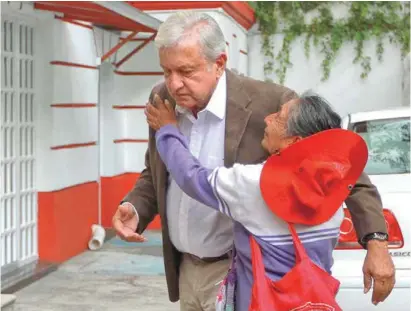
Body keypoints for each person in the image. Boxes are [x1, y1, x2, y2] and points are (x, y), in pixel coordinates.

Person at [111, 11, 395, 311]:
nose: (174, 83)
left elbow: (345, 169)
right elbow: (156, 169)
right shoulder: (164, 101)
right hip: (185, 270)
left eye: (186, 71)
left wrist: (376, 242)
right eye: (166, 71)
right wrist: (135, 207)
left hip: (236, 271)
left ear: (219, 63)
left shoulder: (271, 104)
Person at [144, 91, 367, 311]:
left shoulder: (254, 185)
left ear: (294, 142)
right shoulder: (333, 188)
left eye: (278, 117)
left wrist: (168, 132)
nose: (267, 119)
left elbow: (191, 177)